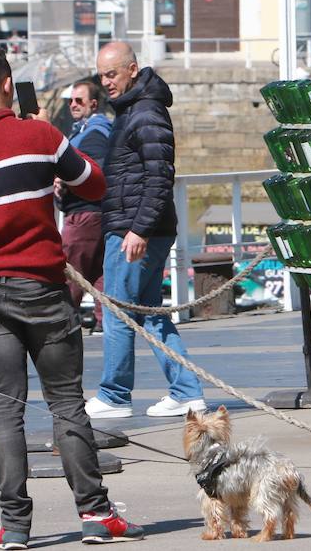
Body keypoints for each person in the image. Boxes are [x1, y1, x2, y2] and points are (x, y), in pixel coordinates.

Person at [0, 47, 143, 546]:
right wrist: (46, 142)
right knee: (66, 401)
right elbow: (95, 183)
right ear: (9, 82)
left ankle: (15, 526)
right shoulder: (41, 135)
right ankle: (94, 513)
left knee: (6, 409)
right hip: (43, 289)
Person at [84, 41, 205, 420]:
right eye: (102, 75)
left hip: (135, 229)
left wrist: (138, 230)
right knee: (151, 314)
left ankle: (114, 394)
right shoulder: (134, 110)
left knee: (119, 309)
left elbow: (159, 176)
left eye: (112, 74)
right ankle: (186, 390)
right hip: (141, 225)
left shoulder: (146, 112)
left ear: (133, 69)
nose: (106, 82)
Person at [59, 81, 112, 331]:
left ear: (93, 103)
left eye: (79, 100)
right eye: (71, 100)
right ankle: (106, 322)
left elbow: (94, 168)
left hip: (83, 213)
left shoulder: (93, 134)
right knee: (99, 273)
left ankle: (64, 323)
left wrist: (64, 180)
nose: (73, 105)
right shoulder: (91, 130)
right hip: (99, 213)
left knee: (70, 272)